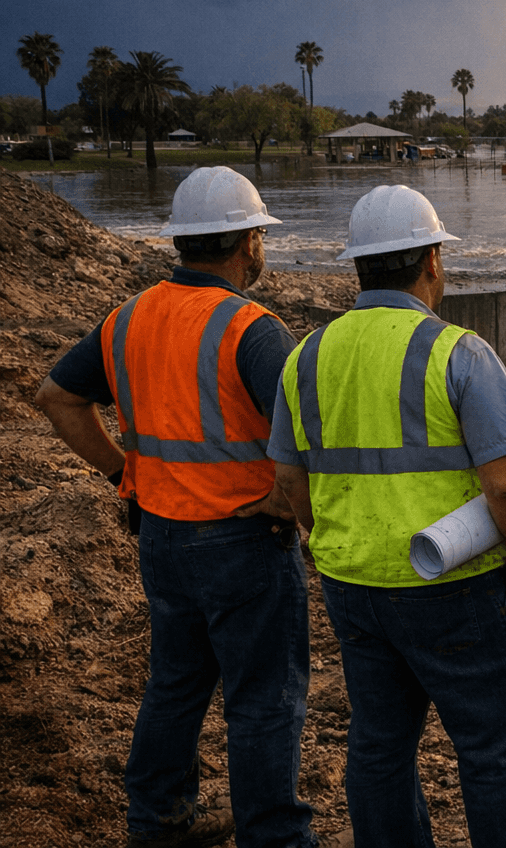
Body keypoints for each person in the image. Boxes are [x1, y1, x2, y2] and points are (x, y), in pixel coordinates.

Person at [267, 184, 506, 848]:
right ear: (431, 260)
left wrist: (327, 538)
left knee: (379, 746)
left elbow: (289, 479)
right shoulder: (456, 351)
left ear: (360, 266)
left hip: (354, 589)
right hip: (454, 590)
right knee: (493, 751)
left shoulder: (306, 356)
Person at [35, 166, 315, 848]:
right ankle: (272, 836)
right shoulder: (252, 328)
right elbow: (308, 433)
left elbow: (56, 397)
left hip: (161, 536)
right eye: (260, 236)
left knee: (176, 686)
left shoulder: (127, 318)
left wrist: (122, 474)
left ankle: (156, 822)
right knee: (264, 701)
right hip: (243, 540)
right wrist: (288, 502)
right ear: (249, 241)